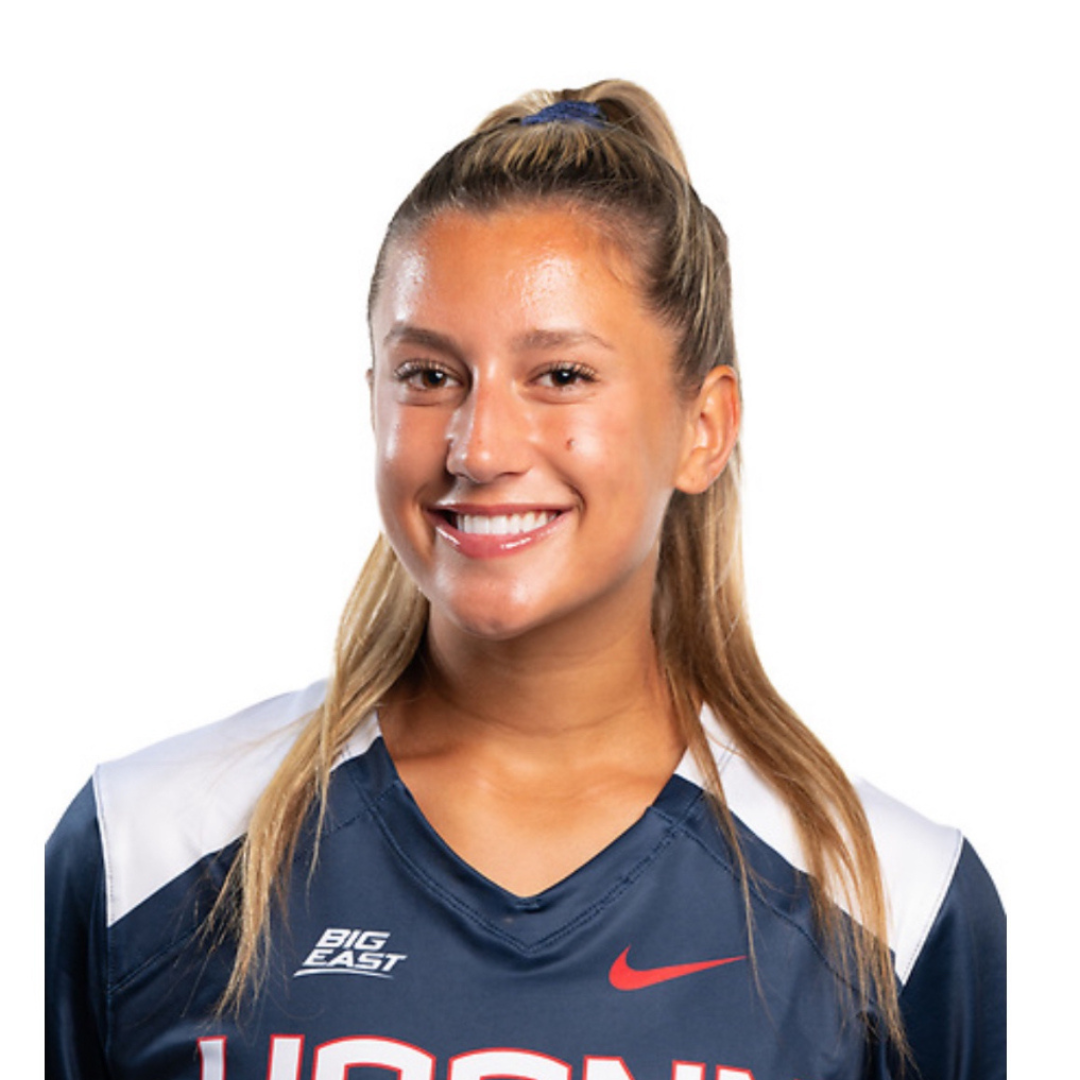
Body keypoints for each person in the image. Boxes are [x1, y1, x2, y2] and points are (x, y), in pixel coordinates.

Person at [45, 80, 1005, 1080]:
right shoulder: (142, 850)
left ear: (704, 426)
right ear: (372, 395)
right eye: (428, 375)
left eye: (560, 376)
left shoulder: (901, 903)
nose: (478, 446)